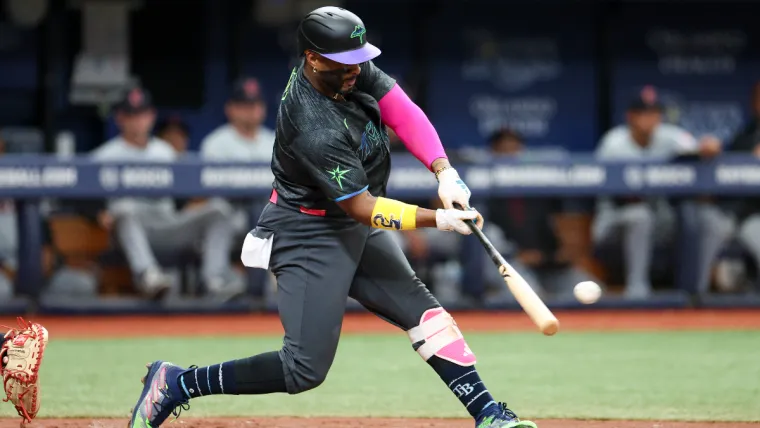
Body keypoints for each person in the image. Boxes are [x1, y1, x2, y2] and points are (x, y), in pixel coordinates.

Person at [128, 7, 537, 428]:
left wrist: (444, 171)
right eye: (345, 63)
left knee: (426, 315)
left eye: (359, 59)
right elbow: (360, 206)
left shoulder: (348, 65)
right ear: (313, 58)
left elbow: (403, 111)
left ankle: (489, 415)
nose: (357, 70)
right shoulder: (311, 120)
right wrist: (438, 220)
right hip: (309, 231)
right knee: (302, 369)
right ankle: (176, 383)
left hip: (355, 224)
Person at [91, 87, 244, 299]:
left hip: (169, 225)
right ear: (120, 118)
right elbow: (74, 196)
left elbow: (182, 198)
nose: (137, 120)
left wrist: (192, 205)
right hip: (133, 231)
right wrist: (96, 213)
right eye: (131, 114)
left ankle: (214, 279)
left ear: (151, 116)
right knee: (124, 209)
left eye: (142, 114)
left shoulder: (166, 153)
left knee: (219, 210)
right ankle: (148, 276)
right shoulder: (104, 156)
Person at [593, 86, 732, 297]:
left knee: (704, 219)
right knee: (640, 216)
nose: (649, 119)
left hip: (659, 219)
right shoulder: (613, 143)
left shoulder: (670, 136)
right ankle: (637, 291)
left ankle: (696, 292)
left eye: (654, 113)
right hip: (614, 220)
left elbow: (700, 147)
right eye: (643, 113)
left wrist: (708, 146)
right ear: (630, 116)